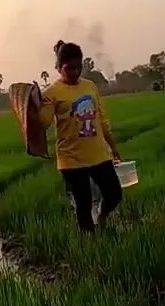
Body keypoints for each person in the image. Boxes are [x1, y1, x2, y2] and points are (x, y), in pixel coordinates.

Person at [36, 41, 124, 232]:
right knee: (83, 205)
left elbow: (101, 119)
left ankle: (102, 215)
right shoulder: (51, 93)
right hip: (71, 158)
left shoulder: (90, 86)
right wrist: (34, 104)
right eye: (69, 68)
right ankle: (90, 246)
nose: (75, 72)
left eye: (79, 67)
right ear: (59, 68)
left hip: (98, 153)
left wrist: (113, 147)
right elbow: (43, 122)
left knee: (114, 194)